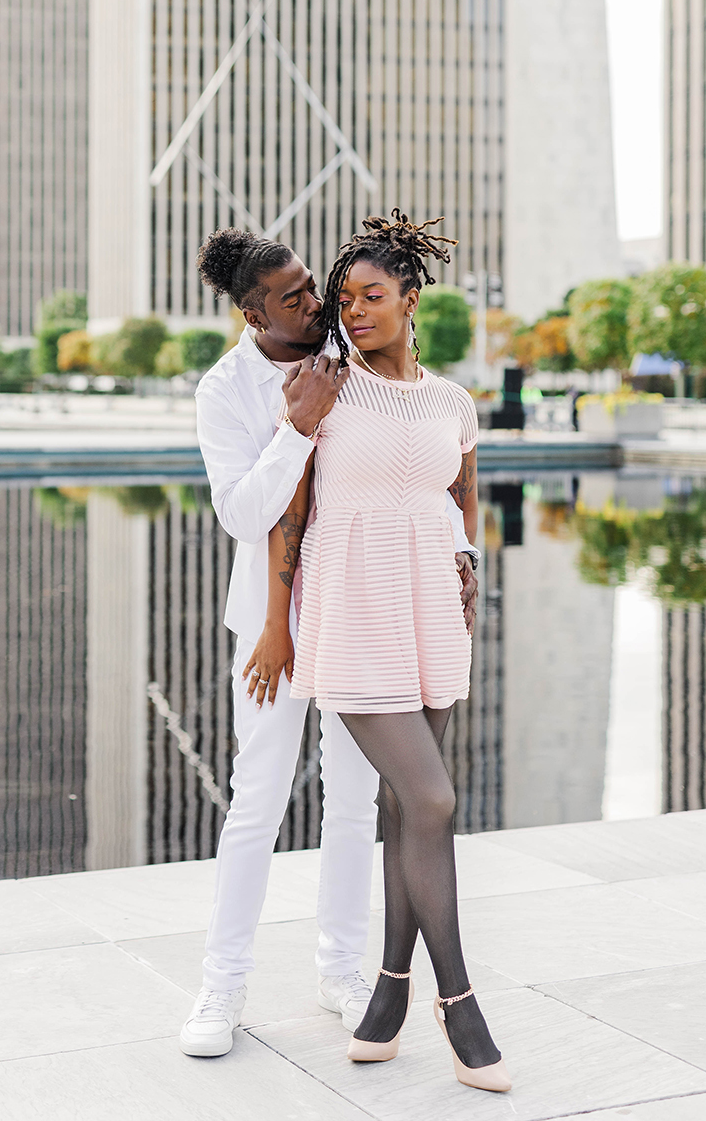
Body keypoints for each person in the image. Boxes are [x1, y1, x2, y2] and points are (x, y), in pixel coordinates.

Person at [182, 225, 477, 1059]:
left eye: (318, 288)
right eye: (296, 297)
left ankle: (342, 971)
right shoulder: (225, 388)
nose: (318, 306)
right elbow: (248, 514)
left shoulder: (353, 350)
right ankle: (223, 986)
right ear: (252, 312)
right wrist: (296, 428)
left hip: (366, 611)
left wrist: (461, 554)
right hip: (275, 629)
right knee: (257, 800)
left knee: (351, 805)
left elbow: (421, 462)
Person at [261, 212, 510, 1093]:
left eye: (374, 297)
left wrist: (468, 560)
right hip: (353, 604)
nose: (356, 311)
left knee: (412, 811)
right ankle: (461, 1001)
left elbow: (464, 492)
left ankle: (388, 998)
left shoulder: (452, 402)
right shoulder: (323, 387)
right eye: (346, 300)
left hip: (432, 611)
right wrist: (277, 624)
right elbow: (287, 514)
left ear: (412, 300)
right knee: (433, 796)